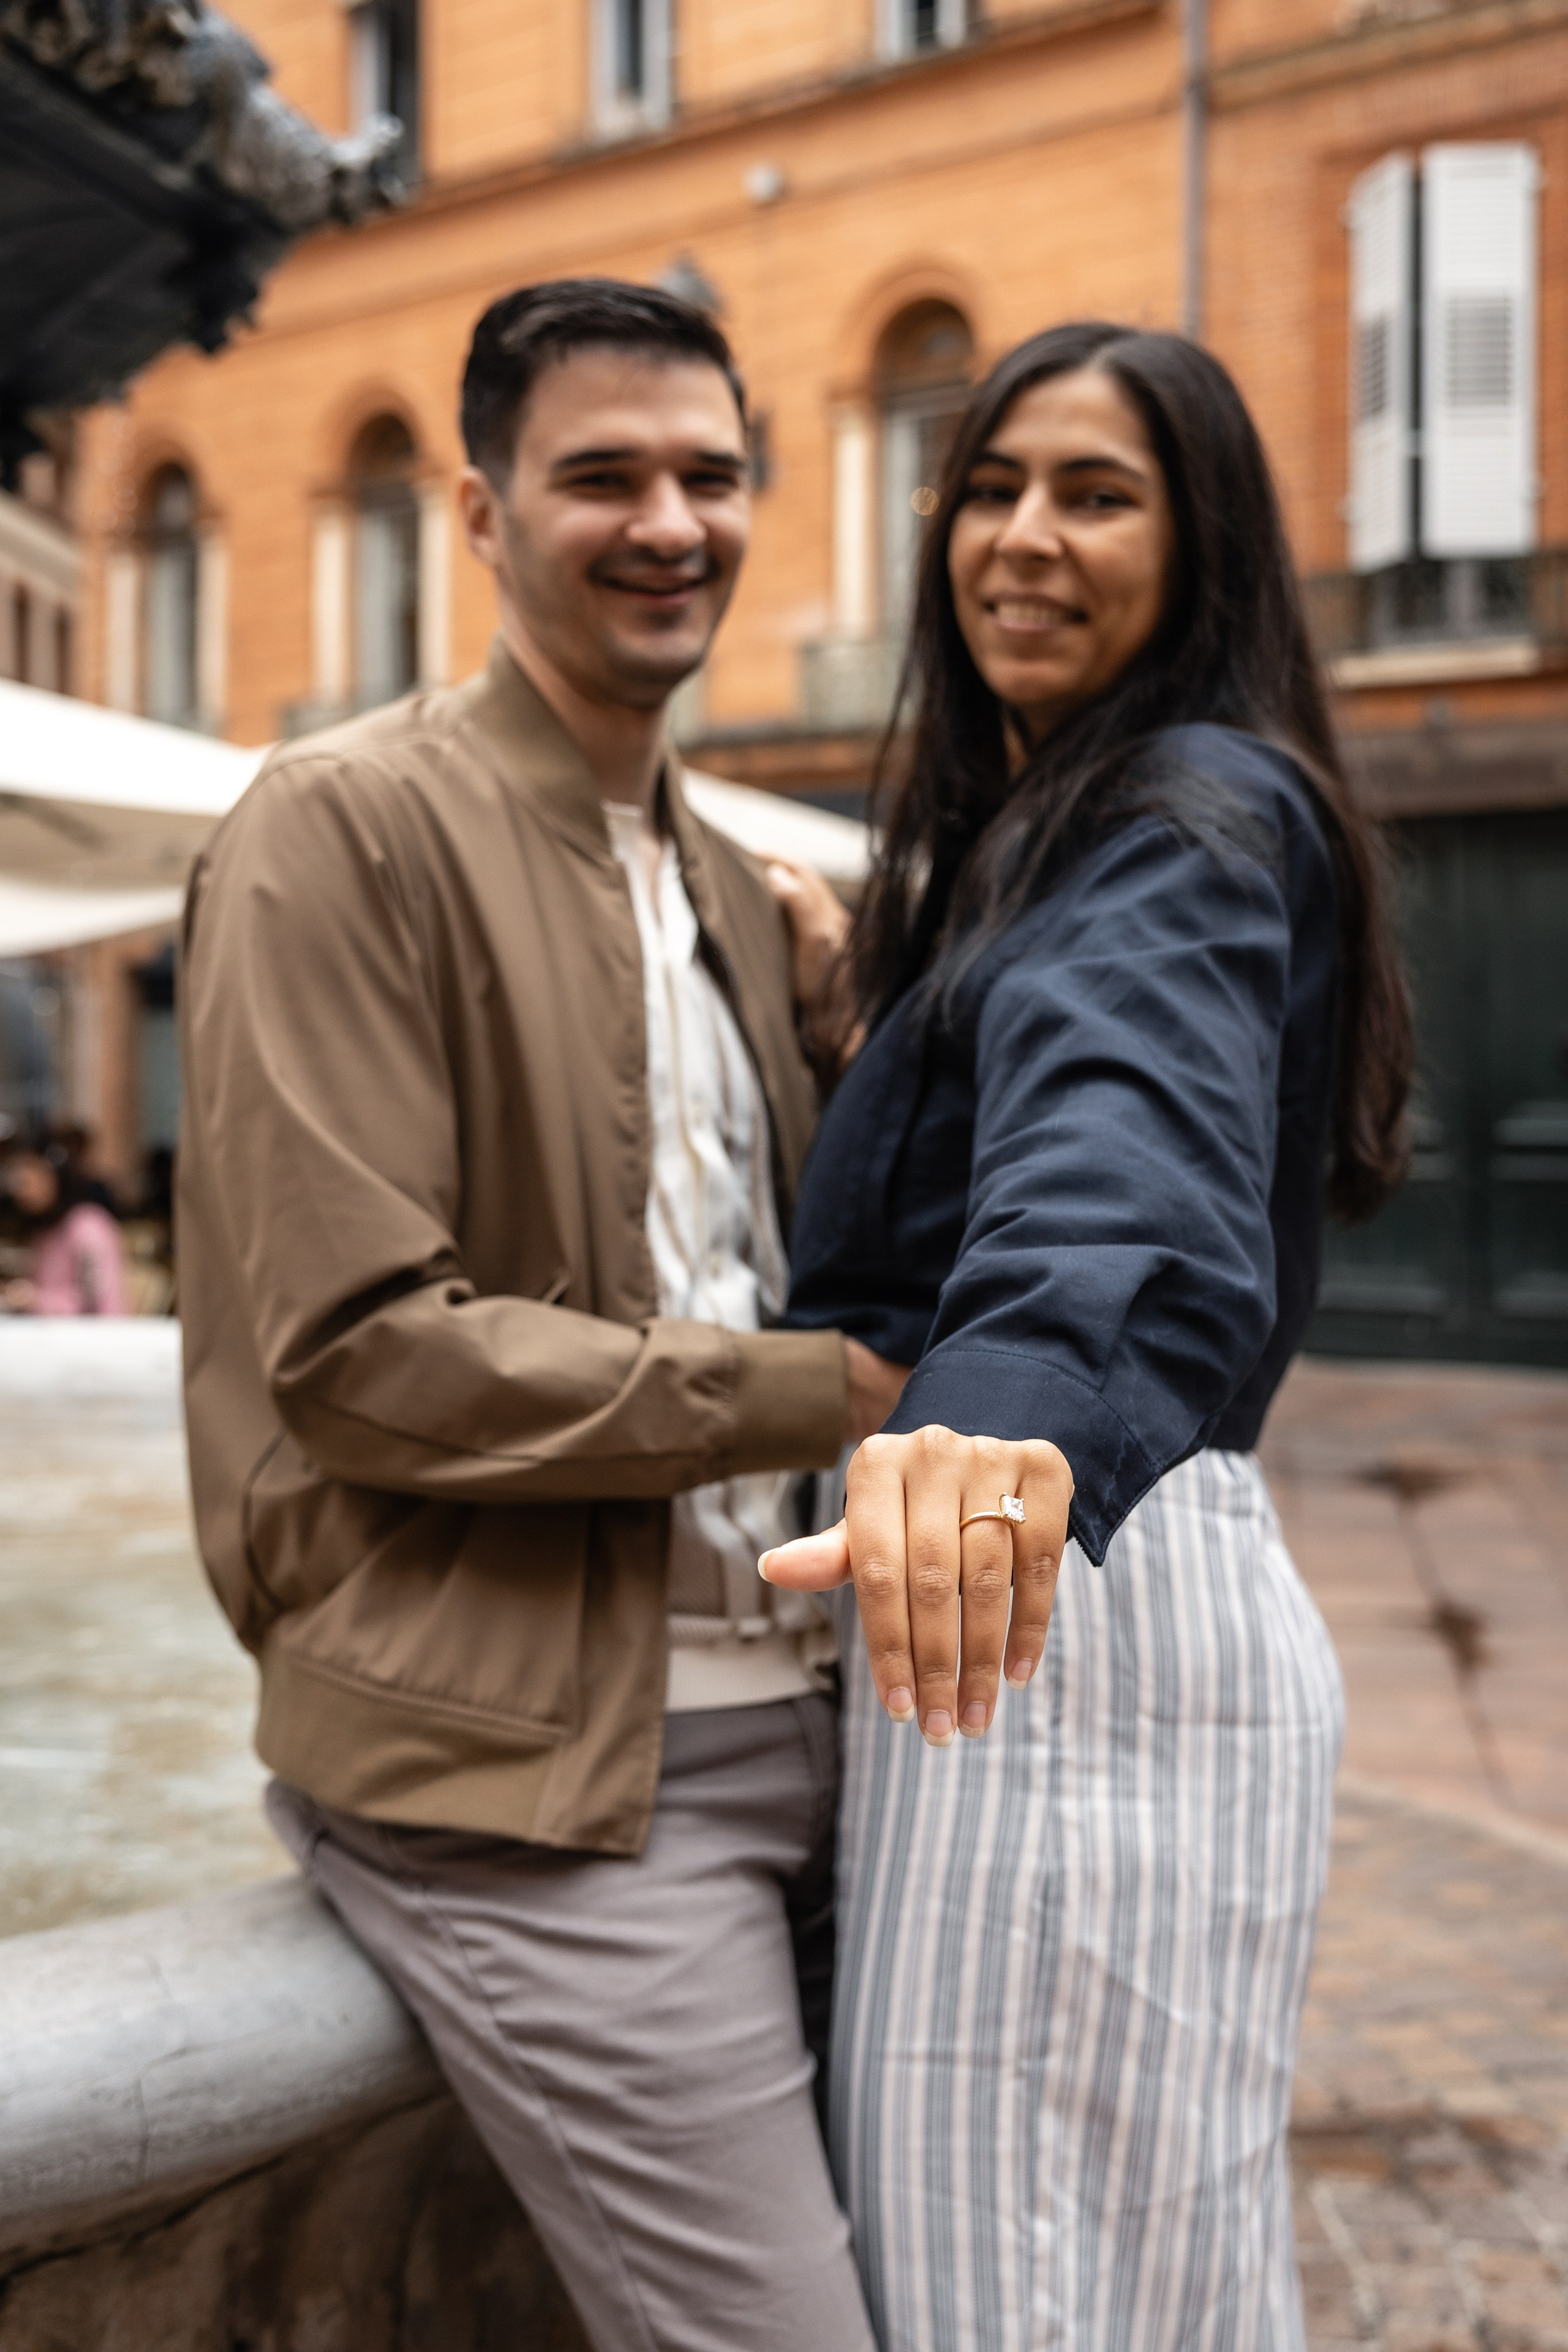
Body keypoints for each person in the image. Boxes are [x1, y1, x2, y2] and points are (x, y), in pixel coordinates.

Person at [177, 280, 890, 2352]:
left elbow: (744, 1240)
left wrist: (842, 1022)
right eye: (603, 476)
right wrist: (819, 1394)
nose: (670, 520)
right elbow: (363, 1356)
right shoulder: (335, 826)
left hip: (816, 1725)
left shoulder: (739, 886)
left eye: (710, 473)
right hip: (529, 1778)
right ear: (480, 516)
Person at [761, 322, 1413, 2350]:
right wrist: (878, 1023)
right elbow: (1054, 1076)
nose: (1021, 538)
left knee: (1011, 2286)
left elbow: (1126, 1130)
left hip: (1052, 1596)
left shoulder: (1179, 809)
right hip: (1079, 1596)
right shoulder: (1054, 836)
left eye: (1098, 493)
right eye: (991, 485)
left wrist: (1008, 1396)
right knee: (1151, 2275)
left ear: (1202, 544)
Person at [1, 1137, 128, 1314]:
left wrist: (32, 1299)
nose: (22, 1191)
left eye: (28, 1181)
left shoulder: (88, 1226)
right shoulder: (45, 1229)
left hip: (95, 1336)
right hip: (52, 1334)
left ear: (57, 1178)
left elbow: (91, 1303)